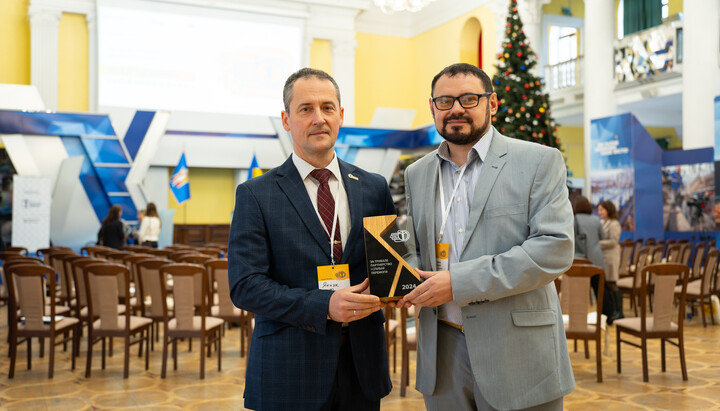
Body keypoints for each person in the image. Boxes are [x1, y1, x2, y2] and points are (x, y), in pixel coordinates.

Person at [399, 63, 575, 410]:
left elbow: (553, 250)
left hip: (517, 352)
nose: (456, 109)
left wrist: (459, 283)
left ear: (492, 104)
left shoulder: (538, 161)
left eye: (468, 98)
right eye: (445, 101)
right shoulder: (417, 174)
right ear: (432, 107)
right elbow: (414, 247)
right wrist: (403, 277)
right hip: (442, 350)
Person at [227, 67, 395, 411]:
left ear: (341, 115)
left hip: (362, 367)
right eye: (306, 109)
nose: (319, 118)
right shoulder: (256, 194)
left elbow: (387, 266)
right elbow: (245, 285)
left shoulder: (374, 186)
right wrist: (324, 306)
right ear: (287, 120)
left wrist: (401, 285)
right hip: (289, 369)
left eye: (328, 107)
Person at [598, 200, 624, 323]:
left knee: (612, 282)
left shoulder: (614, 224)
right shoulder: (603, 222)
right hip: (604, 257)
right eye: (599, 210)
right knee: (607, 283)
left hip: (611, 257)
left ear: (608, 209)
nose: (600, 212)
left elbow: (613, 241)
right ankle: (612, 310)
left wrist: (597, 244)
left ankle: (619, 311)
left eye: (602, 209)